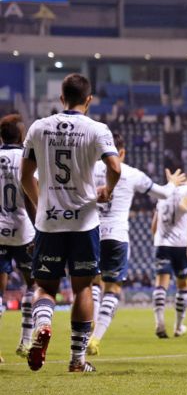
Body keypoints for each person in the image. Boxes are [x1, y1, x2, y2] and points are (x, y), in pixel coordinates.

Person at [21, 73, 121, 372]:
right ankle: (77, 360)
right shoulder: (97, 129)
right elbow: (114, 167)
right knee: (82, 289)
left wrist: (41, 206)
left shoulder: (39, 127)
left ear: (61, 98)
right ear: (88, 100)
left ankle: (43, 325)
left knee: (45, 287)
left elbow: (25, 176)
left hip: (49, 223)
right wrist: (107, 191)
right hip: (84, 222)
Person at [86, 133, 185, 356]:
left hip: (89, 233)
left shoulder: (87, 168)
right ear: (121, 153)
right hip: (117, 236)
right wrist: (171, 183)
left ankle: (90, 321)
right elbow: (163, 194)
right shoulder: (131, 173)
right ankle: (95, 339)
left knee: (92, 282)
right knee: (113, 288)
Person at [0, 114, 37, 362]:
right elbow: (31, 195)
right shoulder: (27, 160)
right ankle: (25, 340)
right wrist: (40, 230)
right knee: (33, 285)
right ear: (21, 136)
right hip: (24, 232)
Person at [150, 172, 187, 338]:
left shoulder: (163, 194)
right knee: (183, 286)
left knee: (160, 285)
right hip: (179, 245)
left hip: (161, 244)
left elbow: (154, 227)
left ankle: (159, 323)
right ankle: (178, 326)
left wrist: (160, 239)